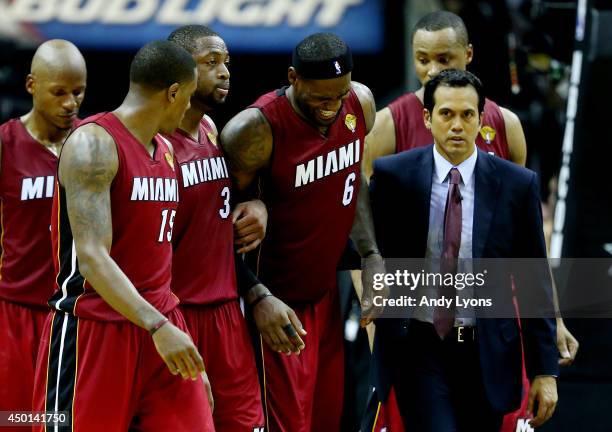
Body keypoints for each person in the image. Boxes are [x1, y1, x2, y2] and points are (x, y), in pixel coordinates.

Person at [363, 10, 577, 431]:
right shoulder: (391, 144)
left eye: (444, 59)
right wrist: (376, 311)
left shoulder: (511, 147)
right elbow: (366, 240)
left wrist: (548, 350)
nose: (431, 70)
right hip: (419, 340)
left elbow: (529, 259)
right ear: (428, 118)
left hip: (490, 333)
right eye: (422, 59)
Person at [32, 40, 214, 432]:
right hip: (94, 331)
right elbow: (93, 257)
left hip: (161, 322)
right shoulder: (93, 145)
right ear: (173, 93)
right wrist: (159, 327)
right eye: (189, 96)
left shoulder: (165, 148)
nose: (189, 108)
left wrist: (173, 332)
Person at [221, 32, 384, 432]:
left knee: (327, 420)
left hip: (326, 295)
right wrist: (255, 296)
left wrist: (371, 254)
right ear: (293, 78)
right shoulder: (253, 131)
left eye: (338, 95)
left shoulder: (359, 102)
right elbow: (213, 228)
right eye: (320, 98)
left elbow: (354, 178)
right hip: (277, 305)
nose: (331, 107)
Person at [166, 25, 266, 431]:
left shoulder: (212, 131)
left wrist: (259, 204)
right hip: (178, 314)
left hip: (226, 311)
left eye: (226, 63)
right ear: (181, 71)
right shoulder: (156, 144)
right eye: (211, 64)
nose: (225, 72)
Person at [0, 40, 86, 423]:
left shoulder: (93, 143)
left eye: (79, 92)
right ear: (32, 84)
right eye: (60, 92)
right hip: (16, 314)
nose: (71, 103)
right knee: (15, 419)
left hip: (74, 314)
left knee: (65, 423)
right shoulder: (5, 144)